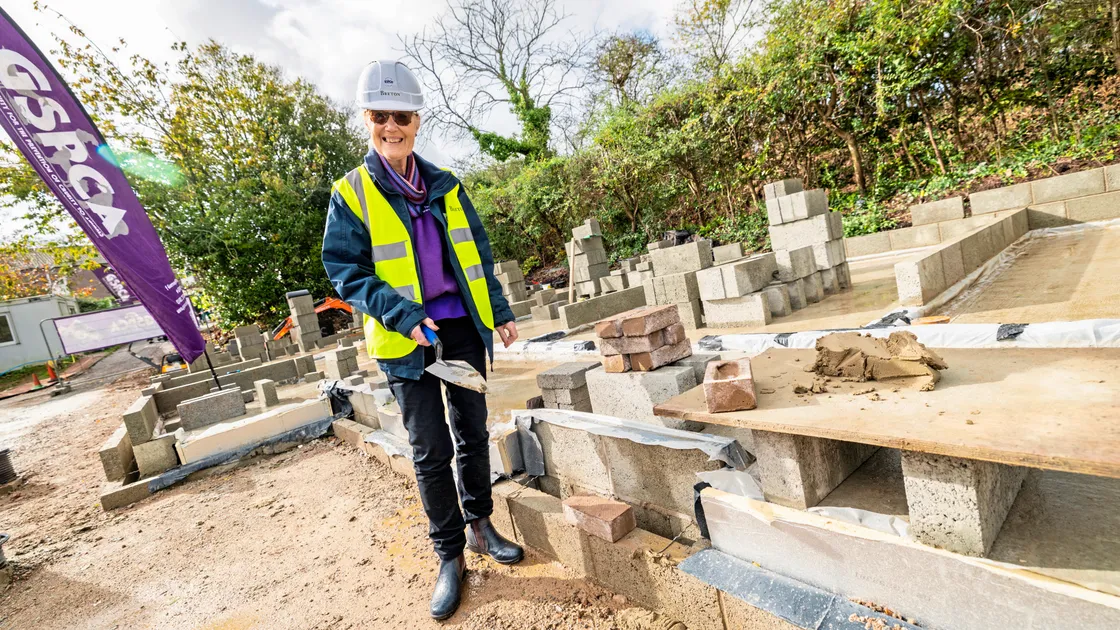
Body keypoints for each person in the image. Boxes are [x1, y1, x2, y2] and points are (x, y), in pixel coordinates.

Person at [321, 60, 523, 620]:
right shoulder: (352, 193)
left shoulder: (446, 184)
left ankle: (481, 524)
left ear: (416, 120)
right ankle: (449, 555)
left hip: (459, 328)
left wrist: (499, 311)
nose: (392, 127)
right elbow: (346, 270)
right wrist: (399, 312)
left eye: (402, 117)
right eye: (381, 117)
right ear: (367, 120)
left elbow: (475, 253)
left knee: (472, 432)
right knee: (430, 449)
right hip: (403, 336)